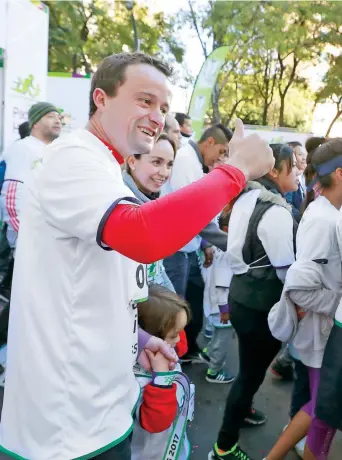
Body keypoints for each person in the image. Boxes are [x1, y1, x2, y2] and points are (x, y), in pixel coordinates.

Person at [0, 52, 274, 460]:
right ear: (101, 99)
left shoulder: (104, 167)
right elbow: (141, 234)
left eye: (163, 107)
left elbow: (94, 286)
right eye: (144, 100)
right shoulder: (73, 156)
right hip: (64, 433)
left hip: (99, 414)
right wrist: (234, 171)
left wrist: (139, 338)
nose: (157, 116)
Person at [209, 143, 299, 460]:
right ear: (275, 170)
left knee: (249, 371)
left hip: (241, 298)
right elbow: (287, 270)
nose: (299, 171)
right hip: (260, 306)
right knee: (249, 375)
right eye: (295, 165)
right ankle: (223, 445)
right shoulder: (275, 210)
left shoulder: (248, 196)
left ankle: (242, 411)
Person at [266, 138, 342, 460]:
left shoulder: (327, 210)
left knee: (318, 408)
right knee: (322, 413)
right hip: (322, 333)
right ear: (339, 173)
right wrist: (337, 303)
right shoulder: (325, 218)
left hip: (323, 331)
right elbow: (299, 288)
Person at [164, 123, 233, 364]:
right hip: (176, 249)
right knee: (174, 305)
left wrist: (205, 243)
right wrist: (229, 243)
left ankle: (187, 349)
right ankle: (170, 359)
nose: (221, 158)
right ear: (210, 142)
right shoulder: (185, 159)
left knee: (192, 299)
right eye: (222, 151)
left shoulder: (196, 162)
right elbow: (191, 211)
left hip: (190, 247)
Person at [131, 284, 192, 460]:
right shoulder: (138, 379)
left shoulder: (164, 354)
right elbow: (156, 423)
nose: (179, 339)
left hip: (172, 444)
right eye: (174, 335)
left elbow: (181, 346)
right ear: (151, 336)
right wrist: (162, 378)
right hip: (150, 454)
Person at [0, 102, 62, 249]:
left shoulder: (53, 151)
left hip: (49, 241)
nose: (57, 120)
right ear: (35, 124)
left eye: (58, 117)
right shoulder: (23, 148)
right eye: (50, 116)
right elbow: (11, 197)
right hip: (28, 244)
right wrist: (25, 236)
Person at [123, 133, 176, 290]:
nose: (164, 172)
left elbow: (158, 269)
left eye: (169, 165)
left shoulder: (155, 203)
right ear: (132, 161)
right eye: (156, 162)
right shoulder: (121, 206)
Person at [199, 210, 235, 384]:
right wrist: (225, 311)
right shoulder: (227, 253)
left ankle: (207, 354)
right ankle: (214, 370)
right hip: (222, 309)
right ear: (227, 229)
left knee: (217, 336)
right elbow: (222, 286)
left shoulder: (218, 248)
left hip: (216, 306)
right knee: (223, 339)